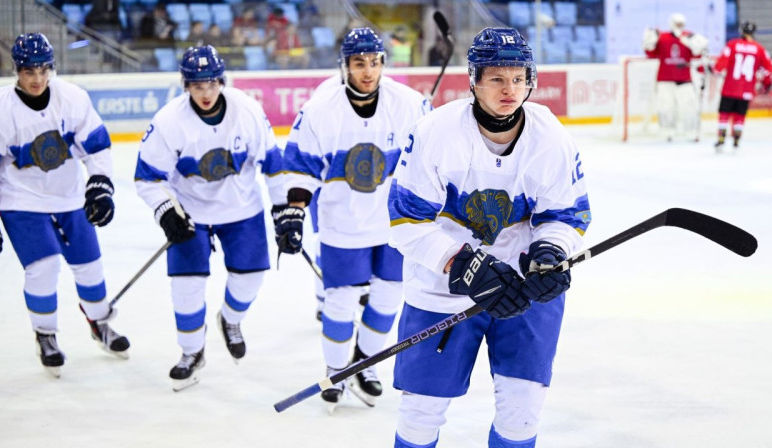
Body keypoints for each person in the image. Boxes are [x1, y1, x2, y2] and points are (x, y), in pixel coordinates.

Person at [388, 27, 592, 447]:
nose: (509, 90)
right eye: (497, 78)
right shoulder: (436, 133)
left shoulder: (550, 137)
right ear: (474, 81)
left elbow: (566, 214)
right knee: (419, 416)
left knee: (521, 415)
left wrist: (551, 253)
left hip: (522, 289)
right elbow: (405, 220)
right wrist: (460, 262)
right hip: (441, 290)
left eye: (519, 78)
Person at [273, 27, 431, 411]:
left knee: (389, 296)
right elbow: (300, 167)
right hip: (342, 219)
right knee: (340, 301)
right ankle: (335, 369)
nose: (368, 71)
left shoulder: (410, 103)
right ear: (344, 66)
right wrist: (294, 210)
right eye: (359, 63)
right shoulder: (320, 109)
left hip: (395, 222)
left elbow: (430, 157)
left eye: (375, 62)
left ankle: (366, 363)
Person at [134, 45, 285, 391]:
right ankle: (191, 352)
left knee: (249, 280)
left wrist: (283, 211)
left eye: (211, 83)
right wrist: (165, 210)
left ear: (221, 80)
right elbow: (146, 177)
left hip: (242, 209)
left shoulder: (246, 110)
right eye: (197, 85)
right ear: (186, 85)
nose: (206, 92)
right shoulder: (168, 122)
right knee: (187, 288)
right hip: (191, 214)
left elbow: (273, 165)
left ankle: (230, 320)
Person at [0, 33, 130, 378]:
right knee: (44, 266)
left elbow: (96, 146)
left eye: (42, 70)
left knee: (90, 267)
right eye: (28, 71)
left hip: (68, 196)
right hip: (20, 199)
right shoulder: (0, 108)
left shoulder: (73, 98)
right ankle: (46, 334)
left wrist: (100, 185)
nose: (37, 79)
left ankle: (99, 323)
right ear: (17, 72)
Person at [643, 13, 708, 142]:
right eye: (677, 23)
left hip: (685, 80)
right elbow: (651, 54)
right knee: (666, 107)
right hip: (665, 80)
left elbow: (698, 56)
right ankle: (667, 131)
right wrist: (648, 43)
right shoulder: (662, 37)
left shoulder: (689, 37)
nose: (679, 26)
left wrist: (699, 48)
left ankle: (691, 131)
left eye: (681, 24)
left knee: (690, 108)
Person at [711, 21, 772, 152]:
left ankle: (721, 139)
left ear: (741, 31)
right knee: (740, 115)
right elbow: (767, 69)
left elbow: (720, 64)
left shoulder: (732, 45)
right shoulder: (759, 49)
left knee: (724, 113)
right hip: (746, 90)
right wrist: (766, 83)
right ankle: (736, 140)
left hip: (729, 88)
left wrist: (714, 70)